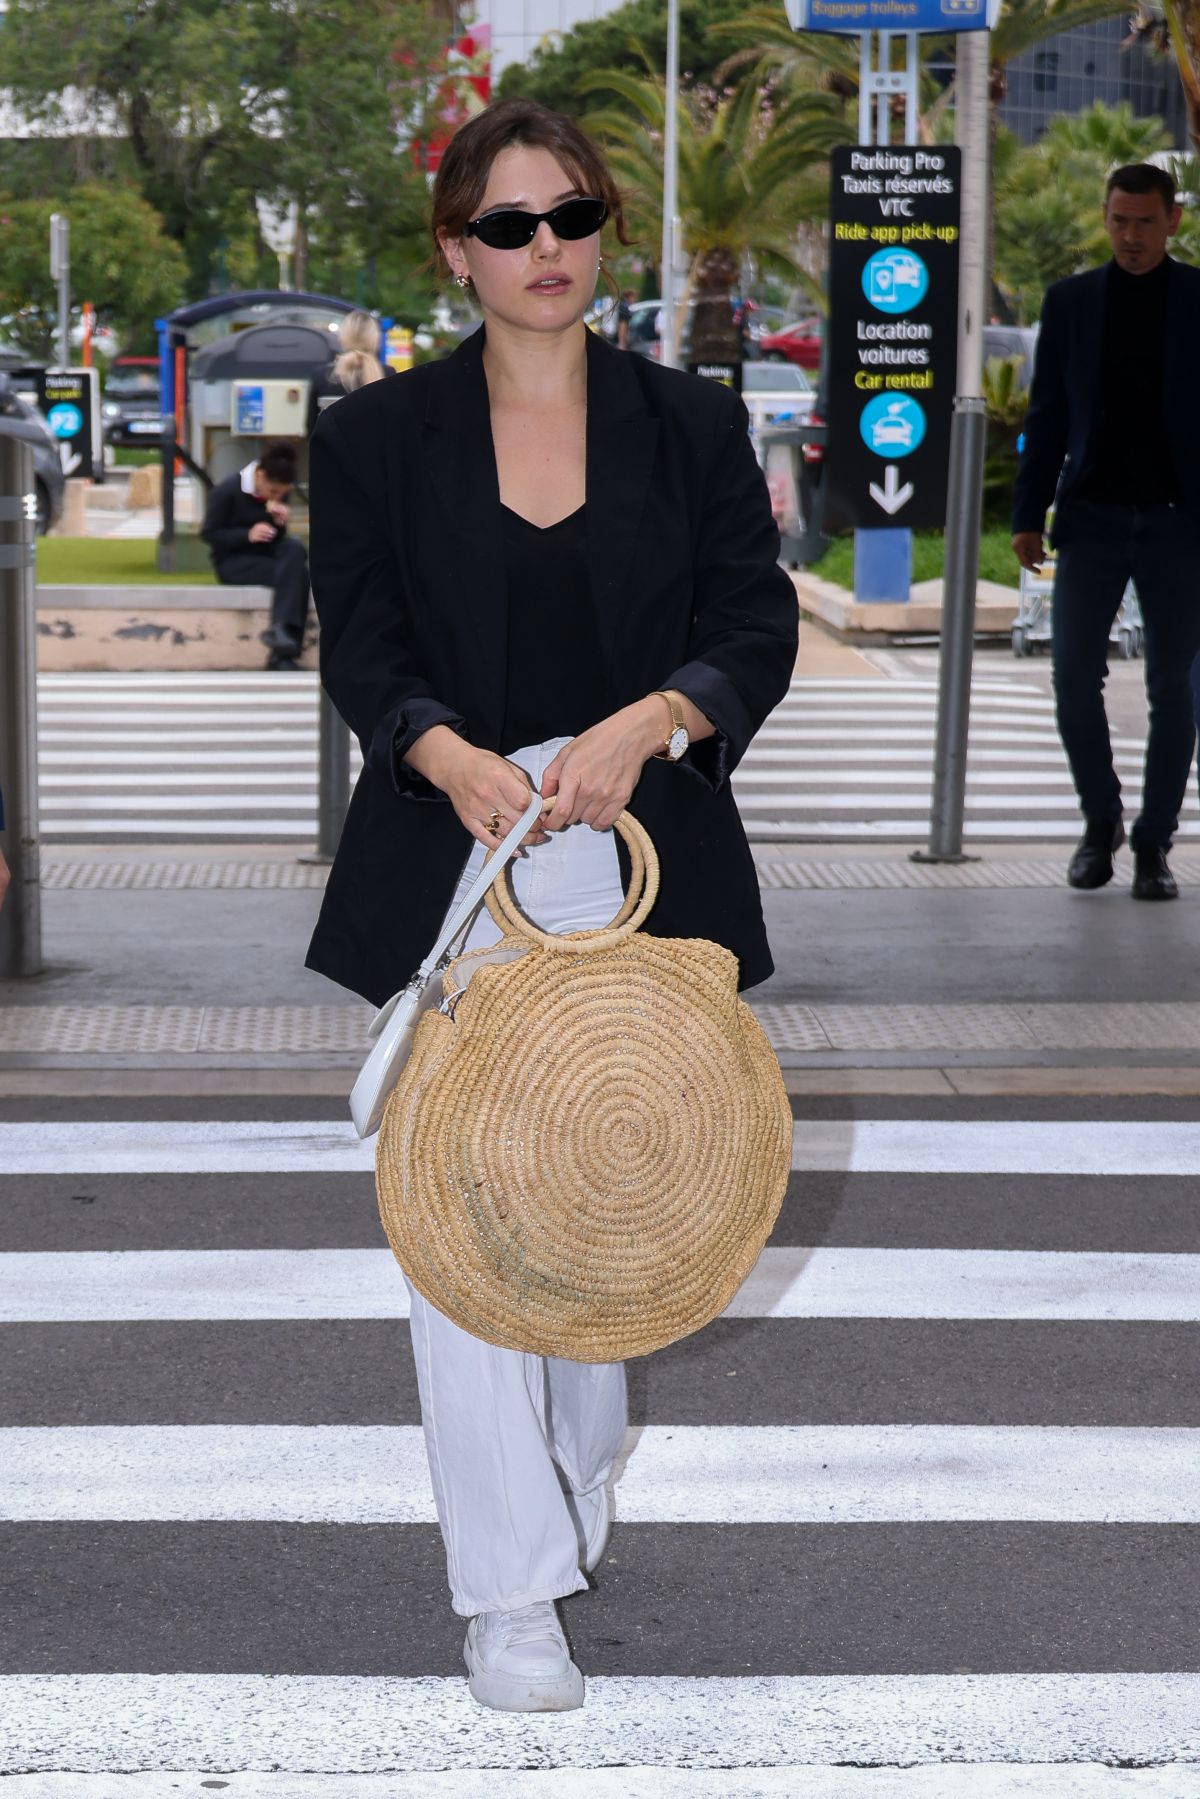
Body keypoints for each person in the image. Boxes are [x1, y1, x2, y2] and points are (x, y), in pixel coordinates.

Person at [305, 97, 797, 1714]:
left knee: (600, 1203)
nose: (546, 252)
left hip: (629, 851)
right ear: (457, 247)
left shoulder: (688, 423)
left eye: (571, 218)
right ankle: (509, 1591)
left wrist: (656, 718)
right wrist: (441, 752)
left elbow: (751, 623)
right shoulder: (377, 436)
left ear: (602, 231)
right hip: (454, 864)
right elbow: (362, 645)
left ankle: (587, 1433)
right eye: (509, 226)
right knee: (459, 1225)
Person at [1012, 163, 1200, 899]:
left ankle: (1154, 844)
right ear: (1105, 218)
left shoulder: (1196, 300)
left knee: (1175, 691)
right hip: (1089, 520)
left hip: (1180, 527)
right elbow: (1047, 415)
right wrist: (1029, 514)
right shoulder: (1071, 302)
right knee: (1070, 680)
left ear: (1173, 221)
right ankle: (1102, 824)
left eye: (1145, 222)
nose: (1130, 235)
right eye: (1119, 220)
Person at [201, 442, 311, 670]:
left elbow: (277, 538)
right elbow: (209, 533)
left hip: (268, 558)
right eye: (273, 492)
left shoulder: (278, 496)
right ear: (260, 476)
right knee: (297, 575)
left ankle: (281, 636)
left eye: (283, 493)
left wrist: (279, 523)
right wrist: (247, 535)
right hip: (234, 562)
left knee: (295, 550)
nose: (278, 496)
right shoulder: (227, 491)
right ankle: (283, 653)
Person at [308, 310, 388, 429]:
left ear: (342, 338)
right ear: (376, 340)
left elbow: (311, 427)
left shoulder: (322, 374)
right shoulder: (388, 374)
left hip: (333, 446)